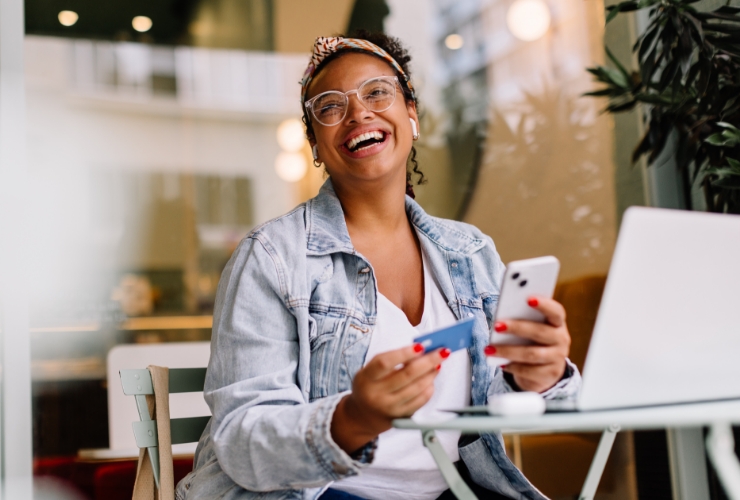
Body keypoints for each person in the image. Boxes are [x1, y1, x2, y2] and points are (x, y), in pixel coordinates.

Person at [176, 32, 580, 500]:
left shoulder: (470, 251)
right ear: (315, 144)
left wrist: (539, 378)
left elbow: (497, 411)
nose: (358, 113)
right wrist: (352, 419)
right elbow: (242, 440)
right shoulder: (271, 257)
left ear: (412, 115)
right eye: (330, 106)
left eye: (377, 92)